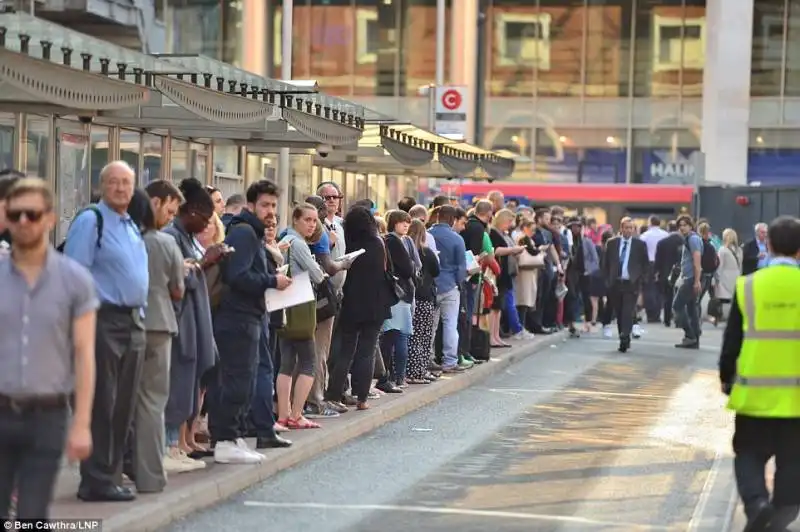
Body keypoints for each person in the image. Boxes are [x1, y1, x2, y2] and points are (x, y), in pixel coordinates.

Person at [0, 178, 96, 518]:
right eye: (16, 214)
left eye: (32, 214)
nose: (24, 222)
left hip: (48, 415)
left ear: (50, 219)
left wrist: (82, 423)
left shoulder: (75, 280)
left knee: (32, 513)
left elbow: (85, 355)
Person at [65, 161, 148, 502]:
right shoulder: (91, 220)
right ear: (102, 186)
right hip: (101, 320)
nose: (120, 188)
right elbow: (74, 272)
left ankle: (109, 474)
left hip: (130, 321)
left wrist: (139, 312)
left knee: (122, 405)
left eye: (126, 183)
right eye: (113, 182)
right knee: (102, 401)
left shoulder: (130, 224)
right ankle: (95, 479)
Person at [719, 216, 800, 532]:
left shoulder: (748, 285)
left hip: (754, 394)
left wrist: (727, 377)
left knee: (749, 455)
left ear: (768, 244)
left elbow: (731, 342)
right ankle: (781, 512)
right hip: (796, 400)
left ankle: (756, 504)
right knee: (793, 461)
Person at [209, 180, 291, 464]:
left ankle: (232, 438)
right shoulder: (244, 233)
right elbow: (237, 276)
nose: (270, 211)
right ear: (251, 205)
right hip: (238, 318)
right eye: (265, 205)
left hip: (248, 316)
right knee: (236, 380)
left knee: (244, 380)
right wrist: (273, 280)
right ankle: (225, 439)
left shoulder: (251, 233)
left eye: (273, 206)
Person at [131, 182, 187, 486]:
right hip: (159, 323)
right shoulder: (166, 244)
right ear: (153, 204)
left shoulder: (126, 239)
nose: (170, 217)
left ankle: (116, 469)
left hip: (126, 324)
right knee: (153, 401)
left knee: (122, 400)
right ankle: (150, 474)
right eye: (169, 210)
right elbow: (178, 289)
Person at [162, 179, 220, 471]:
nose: (207, 224)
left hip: (194, 321)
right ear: (192, 211)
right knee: (177, 385)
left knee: (190, 383)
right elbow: (174, 278)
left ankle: (176, 444)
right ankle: (170, 444)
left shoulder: (184, 236)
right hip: (179, 322)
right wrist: (204, 263)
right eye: (205, 218)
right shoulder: (172, 236)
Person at [325, 206, 396, 410]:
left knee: (346, 350)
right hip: (376, 303)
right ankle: (362, 397)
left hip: (352, 302)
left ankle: (334, 393)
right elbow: (387, 270)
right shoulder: (379, 243)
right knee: (367, 350)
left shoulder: (347, 243)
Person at [276, 203, 328, 429]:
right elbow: (317, 275)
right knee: (308, 362)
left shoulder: (285, 239)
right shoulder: (298, 243)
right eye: (307, 219)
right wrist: (323, 270)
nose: (312, 224)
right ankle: (296, 414)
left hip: (284, 305)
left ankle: (283, 414)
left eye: (315, 220)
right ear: (296, 219)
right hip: (300, 305)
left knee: (286, 362)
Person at [428, 205, 468, 373]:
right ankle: (449, 361)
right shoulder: (457, 239)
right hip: (450, 285)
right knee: (450, 324)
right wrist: (460, 284)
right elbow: (461, 267)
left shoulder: (427, 234)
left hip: (430, 286)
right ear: (452, 220)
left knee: (431, 325)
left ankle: (428, 358)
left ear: (437, 217)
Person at [601, 217, 649, 353]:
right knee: (619, 311)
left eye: (631, 228)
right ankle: (624, 335)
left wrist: (642, 279)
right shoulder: (612, 243)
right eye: (626, 228)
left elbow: (645, 264)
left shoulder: (640, 245)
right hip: (615, 283)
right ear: (621, 229)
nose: (628, 230)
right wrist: (606, 280)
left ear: (634, 230)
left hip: (631, 283)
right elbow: (605, 263)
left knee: (628, 311)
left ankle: (624, 336)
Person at [673, 215, 703, 349]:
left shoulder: (693, 239)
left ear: (691, 226)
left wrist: (696, 281)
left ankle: (690, 335)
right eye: (680, 225)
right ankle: (694, 339)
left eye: (685, 225)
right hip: (689, 277)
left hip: (691, 278)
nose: (682, 228)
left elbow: (697, 261)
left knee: (677, 305)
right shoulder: (689, 239)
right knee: (691, 309)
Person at [639, 216, 669, 322]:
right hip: (662, 263)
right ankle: (657, 313)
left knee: (648, 289)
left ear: (650, 223)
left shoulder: (644, 236)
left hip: (648, 263)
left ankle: (650, 314)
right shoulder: (665, 235)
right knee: (659, 289)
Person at [654, 221, 683, 327]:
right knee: (680, 297)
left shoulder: (662, 242)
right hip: (681, 273)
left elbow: (658, 261)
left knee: (667, 297)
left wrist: (656, 272)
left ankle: (667, 319)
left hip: (666, 273)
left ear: (668, 228)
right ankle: (679, 320)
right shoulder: (683, 241)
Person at [714, 228, 743, 319]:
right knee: (733, 298)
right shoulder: (739, 250)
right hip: (736, 275)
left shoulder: (722, 250)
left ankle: (721, 315)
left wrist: (716, 279)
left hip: (725, 275)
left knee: (723, 298)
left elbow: (719, 265)